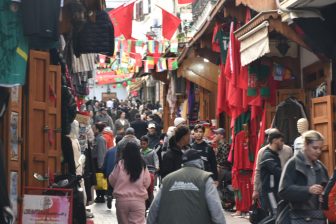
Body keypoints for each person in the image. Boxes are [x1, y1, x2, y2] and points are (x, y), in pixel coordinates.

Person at [147, 149, 226, 224]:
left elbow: (154, 208)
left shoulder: (167, 179)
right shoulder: (205, 179)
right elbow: (216, 210)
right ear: (200, 162)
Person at [278, 130, 329, 224]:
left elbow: (327, 190)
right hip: (298, 218)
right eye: (315, 148)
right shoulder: (293, 164)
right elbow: (283, 191)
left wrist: (324, 195)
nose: (318, 151)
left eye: (320, 148)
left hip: (319, 218)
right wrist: (308, 190)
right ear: (305, 144)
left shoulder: (321, 167)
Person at [109, 142, 151, 224]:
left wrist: (119, 186)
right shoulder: (142, 165)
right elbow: (147, 182)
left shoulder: (120, 164)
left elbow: (112, 179)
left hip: (122, 201)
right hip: (138, 201)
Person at [252, 128, 293, 205]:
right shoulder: (263, 152)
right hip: (268, 187)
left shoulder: (288, 150)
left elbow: (292, 168)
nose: (281, 142)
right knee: (271, 212)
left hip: (284, 186)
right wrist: (255, 189)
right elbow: (258, 171)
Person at [259, 130, 284, 224]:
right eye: (281, 140)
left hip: (274, 190)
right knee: (275, 215)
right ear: (274, 141)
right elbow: (278, 172)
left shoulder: (273, 155)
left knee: (276, 215)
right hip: (270, 191)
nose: (282, 143)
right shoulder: (268, 156)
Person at [102, 135, 123, 209]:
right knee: (119, 188)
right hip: (119, 173)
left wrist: (104, 172)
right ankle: (117, 200)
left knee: (110, 187)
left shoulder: (109, 150)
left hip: (109, 172)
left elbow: (105, 162)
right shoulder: (122, 152)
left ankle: (109, 196)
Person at [140, 135, 159, 209]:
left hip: (151, 172)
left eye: (144, 144)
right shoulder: (139, 152)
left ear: (147, 143)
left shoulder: (152, 152)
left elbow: (156, 161)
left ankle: (152, 205)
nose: (142, 145)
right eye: (141, 144)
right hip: (141, 173)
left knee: (150, 190)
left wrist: (157, 167)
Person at [92, 122, 107, 203]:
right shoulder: (96, 138)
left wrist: (100, 165)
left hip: (98, 162)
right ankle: (99, 195)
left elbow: (101, 153)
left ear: (97, 129)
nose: (92, 130)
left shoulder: (100, 139)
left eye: (94, 128)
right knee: (98, 179)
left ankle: (101, 196)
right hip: (96, 162)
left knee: (100, 179)